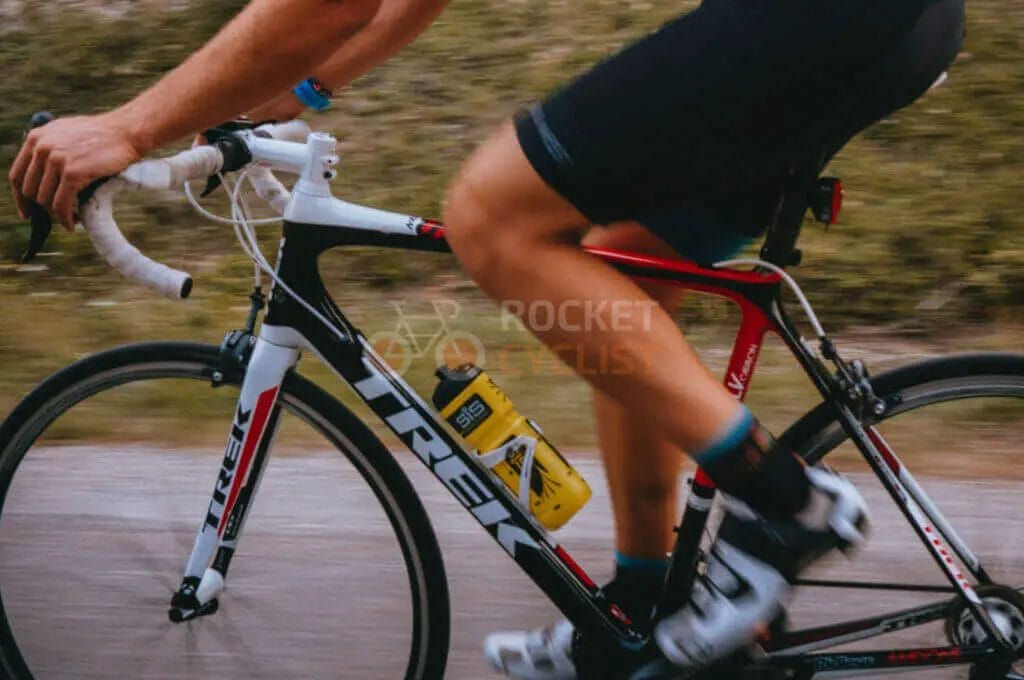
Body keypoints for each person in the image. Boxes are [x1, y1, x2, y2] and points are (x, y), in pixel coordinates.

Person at [8, 0, 966, 676]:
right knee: (617, 261)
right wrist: (294, 94)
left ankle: (788, 501)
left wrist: (129, 128)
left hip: (821, 16)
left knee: (491, 217)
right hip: (888, 25)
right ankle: (639, 611)